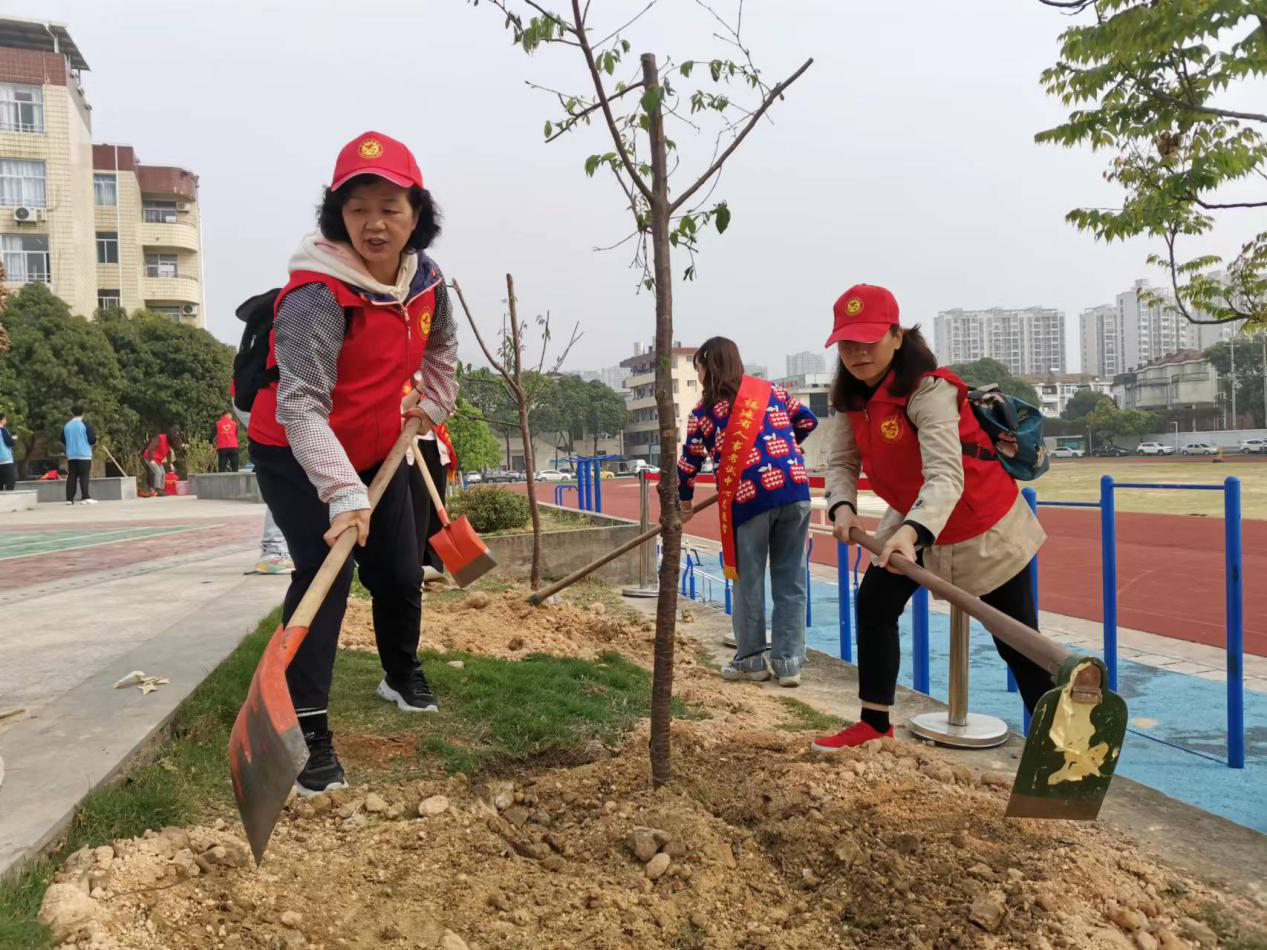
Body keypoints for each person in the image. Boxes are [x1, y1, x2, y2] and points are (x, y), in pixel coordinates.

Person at [247, 131, 457, 796]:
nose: (374, 223)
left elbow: (440, 352)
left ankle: (400, 672)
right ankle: (306, 730)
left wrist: (434, 402)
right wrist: (342, 492)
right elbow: (300, 406)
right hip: (296, 452)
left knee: (398, 569)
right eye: (357, 207)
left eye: (390, 208)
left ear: (417, 214)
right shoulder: (316, 293)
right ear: (337, 214)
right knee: (326, 573)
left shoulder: (426, 281)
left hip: (378, 446)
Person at [811, 284, 1050, 752]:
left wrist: (910, 534)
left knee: (1017, 641)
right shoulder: (852, 398)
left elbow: (945, 475)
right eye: (847, 343)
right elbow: (841, 462)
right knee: (875, 604)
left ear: (896, 336)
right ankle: (874, 722)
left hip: (980, 521)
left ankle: (1061, 754)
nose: (858, 353)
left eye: (869, 340)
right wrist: (842, 506)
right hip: (914, 516)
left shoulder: (929, 391)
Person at [678, 337, 818, 687]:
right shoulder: (771, 391)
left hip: (750, 498)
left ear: (709, 367)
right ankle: (789, 663)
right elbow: (808, 420)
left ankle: (751, 661)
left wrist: (685, 501)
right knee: (791, 580)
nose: (699, 376)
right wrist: (783, 447)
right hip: (795, 490)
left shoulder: (704, 412)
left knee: (748, 582)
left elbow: (689, 462)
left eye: (698, 368)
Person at [407, 420, 457, 582]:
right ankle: (416, 565)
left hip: (436, 442)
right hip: (409, 441)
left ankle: (435, 567)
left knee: (437, 508)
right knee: (418, 507)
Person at [62, 405, 98, 505]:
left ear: (72, 413)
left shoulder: (66, 426)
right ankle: (85, 497)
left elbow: (62, 439)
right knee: (84, 475)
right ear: (83, 413)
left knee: (72, 476)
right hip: (84, 454)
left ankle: (69, 499)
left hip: (71, 455)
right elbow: (92, 440)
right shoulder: (85, 425)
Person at [142, 432, 170, 497]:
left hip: (157, 459)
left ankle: (161, 489)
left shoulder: (168, 443)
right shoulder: (159, 438)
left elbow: (168, 453)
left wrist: (170, 463)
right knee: (158, 473)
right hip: (149, 457)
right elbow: (150, 449)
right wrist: (151, 460)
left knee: (163, 473)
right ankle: (157, 490)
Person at [0, 412, 15, 491]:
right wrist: (14, 438)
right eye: (5, 419)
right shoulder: (2, 430)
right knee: (11, 481)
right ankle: (9, 497)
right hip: (6, 460)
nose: (6, 420)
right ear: (1, 420)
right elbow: (10, 443)